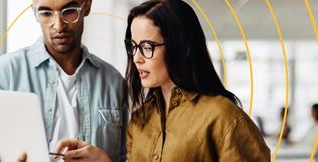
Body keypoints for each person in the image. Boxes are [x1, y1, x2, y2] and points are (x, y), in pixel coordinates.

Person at [53, 0, 270, 161]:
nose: (137, 58)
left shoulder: (222, 116)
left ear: (183, 48)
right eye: (134, 47)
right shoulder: (140, 119)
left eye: (147, 47)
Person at [0, 0, 127, 162]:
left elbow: (131, 156)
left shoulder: (114, 82)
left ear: (87, 6)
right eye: (46, 13)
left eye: (69, 11)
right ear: (34, 11)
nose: (59, 26)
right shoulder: (0, 75)